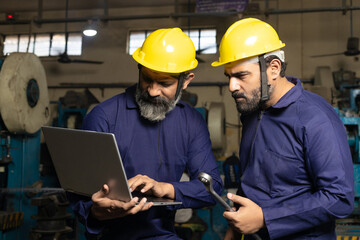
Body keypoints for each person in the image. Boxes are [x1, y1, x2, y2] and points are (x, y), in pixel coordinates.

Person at [68, 28, 223, 239]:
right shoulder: (103, 117)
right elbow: (79, 196)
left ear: (186, 81)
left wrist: (166, 188)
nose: (152, 90)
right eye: (147, 78)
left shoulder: (191, 122)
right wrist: (99, 211)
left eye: (164, 83)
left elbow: (212, 187)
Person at [211, 18, 354, 239]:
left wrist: (265, 218)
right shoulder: (252, 113)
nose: (232, 86)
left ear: (274, 68)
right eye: (229, 76)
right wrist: (234, 228)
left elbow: (339, 198)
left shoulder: (316, 118)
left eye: (241, 76)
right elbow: (252, 183)